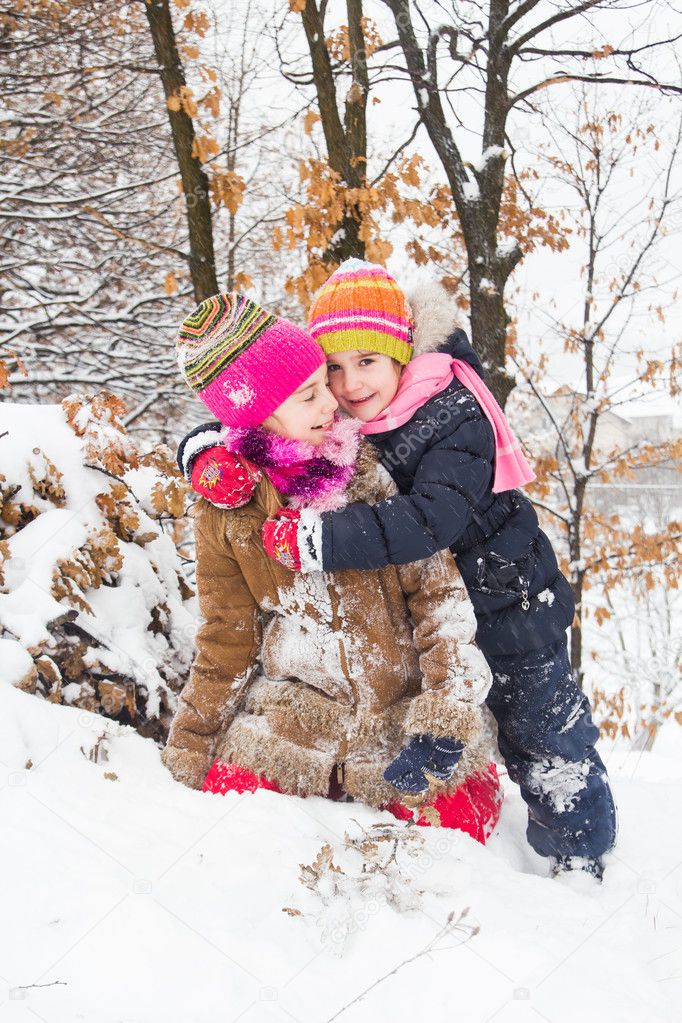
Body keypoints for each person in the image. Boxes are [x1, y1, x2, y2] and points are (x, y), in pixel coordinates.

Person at [177, 263, 618, 881]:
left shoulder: (450, 412)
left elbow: (428, 520)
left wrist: (317, 538)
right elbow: (254, 411)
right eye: (331, 368)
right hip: (431, 620)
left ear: (401, 354)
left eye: (366, 362)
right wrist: (201, 451)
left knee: (544, 735)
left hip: (507, 605)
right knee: (471, 729)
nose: (345, 387)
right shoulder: (347, 422)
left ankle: (581, 854)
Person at [162, 292, 502, 844]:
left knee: (454, 835)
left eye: (326, 384)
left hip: (396, 711)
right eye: (309, 395)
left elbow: (439, 600)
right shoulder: (227, 512)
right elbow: (226, 635)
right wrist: (190, 747)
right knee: (234, 829)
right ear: (258, 415)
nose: (333, 404)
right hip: (296, 716)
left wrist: (444, 711)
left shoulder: (366, 473)